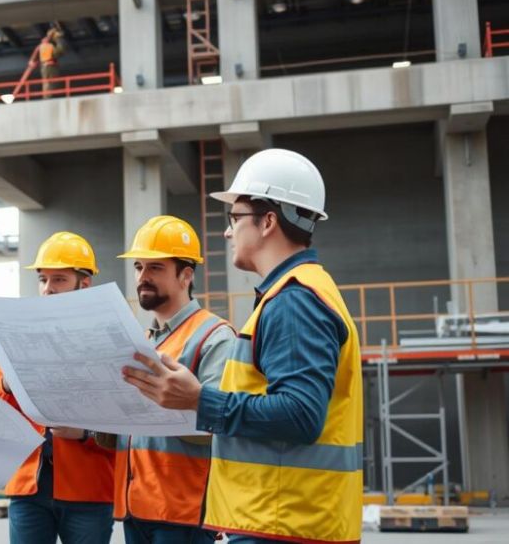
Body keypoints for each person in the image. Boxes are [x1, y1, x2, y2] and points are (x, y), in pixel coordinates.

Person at [123, 149, 362, 543]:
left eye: (235, 218)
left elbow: (301, 414)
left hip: (283, 522)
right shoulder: (290, 295)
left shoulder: (294, 301)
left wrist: (200, 400)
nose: (228, 231)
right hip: (281, 519)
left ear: (268, 221)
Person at [0, 232, 115, 544]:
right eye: (43, 279)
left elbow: (124, 419)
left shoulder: (109, 343)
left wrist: (85, 434)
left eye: (58, 279)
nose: (47, 289)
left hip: (88, 488)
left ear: (83, 284)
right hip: (28, 487)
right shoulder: (18, 336)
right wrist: (7, 382)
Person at [114, 216, 235, 544]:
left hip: (183, 512)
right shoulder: (142, 341)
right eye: (139, 267)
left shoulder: (214, 336)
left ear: (186, 276)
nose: (142, 277)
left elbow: (221, 427)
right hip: (135, 505)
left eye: (155, 268)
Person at [39, 26, 65, 98]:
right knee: (51, 83)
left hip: (46, 66)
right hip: (50, 66)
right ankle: (48, 97)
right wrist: (58, 38)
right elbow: (60, 51)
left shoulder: (43, 46)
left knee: (47, 83)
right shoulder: (47, 46)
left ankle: (47, 97)